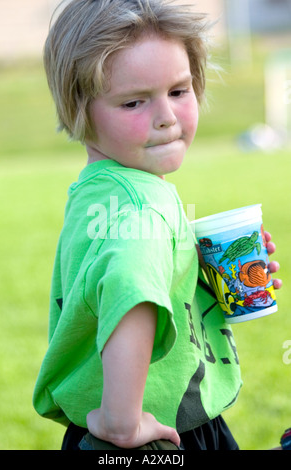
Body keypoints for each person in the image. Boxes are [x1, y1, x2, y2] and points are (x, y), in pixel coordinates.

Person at [33, 0, 282, 451]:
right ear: (79, 108)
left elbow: (111, 283)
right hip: (151, 435)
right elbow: (131, 288)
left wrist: (200, 274)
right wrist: (124, 422)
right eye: (133, 101)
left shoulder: (102, 188)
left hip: (100, 432)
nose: (166, 115)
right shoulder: (144, 206)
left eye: (179, 91)